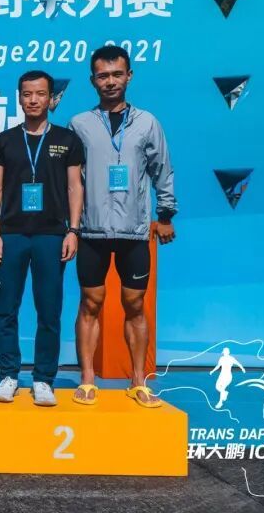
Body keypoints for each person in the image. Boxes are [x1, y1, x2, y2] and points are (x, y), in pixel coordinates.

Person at [69, 45, 177, 409]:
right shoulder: (79, 124)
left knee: (134, 304)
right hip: (92, 230)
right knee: (90, 303)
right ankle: (87, 379)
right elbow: (72, 181)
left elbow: (162, 170)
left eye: (117, 74)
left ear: (129, 76)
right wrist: (70, 226)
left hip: (133, 230)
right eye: (103, 75)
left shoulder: (147, 122)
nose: (110, 81)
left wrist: (166, 215)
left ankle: (137, 381)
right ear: (93, 80)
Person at [0, 70, 84, 407]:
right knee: (6, 308)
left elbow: (75, 187)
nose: (33, 100)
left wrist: (73, 230)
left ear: (51, 98)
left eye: (40, 94)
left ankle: (44, 379)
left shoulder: (67, 140)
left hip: (52, 235)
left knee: (49, 310)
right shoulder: (4, 140)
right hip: (11, 234)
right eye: (27, 94)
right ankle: (8, 375)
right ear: (19, 97)